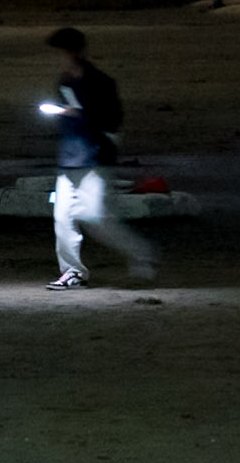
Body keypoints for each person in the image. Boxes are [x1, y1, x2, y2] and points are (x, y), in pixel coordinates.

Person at [42, 27, 156, 290]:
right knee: (62, 218)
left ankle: (143, 255)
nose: (62, 59)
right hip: (69, 159)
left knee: (97, 219)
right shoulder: (64, 82)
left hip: (95, 159)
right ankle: (73, 272)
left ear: (76, 52)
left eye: (64, 53)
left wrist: (79, 115)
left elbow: (112, 121)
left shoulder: (101, 82)